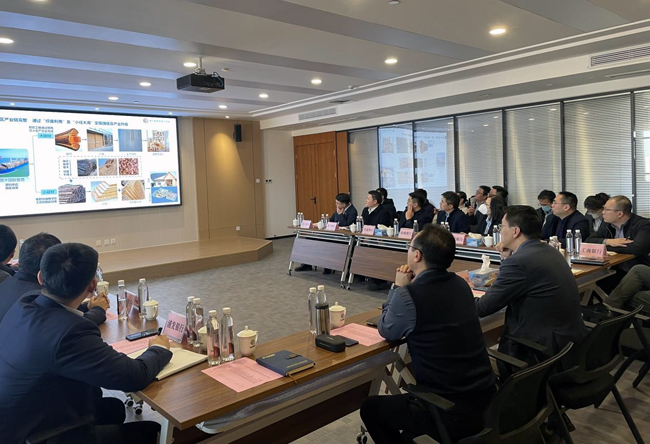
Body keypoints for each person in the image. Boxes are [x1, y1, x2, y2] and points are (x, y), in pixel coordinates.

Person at [0, 242, 172, 444]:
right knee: (151, 431)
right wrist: (158, 348)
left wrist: (87, 307)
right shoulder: (70, 332)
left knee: (114, 409)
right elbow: (134, 376)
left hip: (18, 417)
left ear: (40, 278)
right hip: (31, 435)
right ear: (92, 286)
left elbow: (57, 314)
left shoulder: (26, 302)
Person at [360, 225, 496, 443]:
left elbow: (387, 330)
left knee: (371, 408)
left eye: (409, 246)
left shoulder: (408, 295)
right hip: (486, 398)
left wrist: (398, 288)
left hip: (446, 408)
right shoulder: (461, 284)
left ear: (417, 255)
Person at [475, 206, 588, 368]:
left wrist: (458, 298)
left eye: (502, 226)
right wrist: (507, 258)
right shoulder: (548, 250)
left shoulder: (519, 262)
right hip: (568, 343)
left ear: (515, 231)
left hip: (541, 353)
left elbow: (484, 307)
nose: (500, 231)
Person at [0, 233, 108, 325]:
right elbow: (70, 325)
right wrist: (99, 310)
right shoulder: (34, 296)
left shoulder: (6, 282)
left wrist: (87, 306)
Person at [586, 195, 650, 292]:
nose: (603, 212)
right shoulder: (607, 223)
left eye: (606, 209)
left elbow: (637, 248)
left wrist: (606, 247)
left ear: (620, 214)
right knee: (592, 282)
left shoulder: (642, 224)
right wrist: (609, 241)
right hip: (616, 267)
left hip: (636, 269)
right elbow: (589, 240)